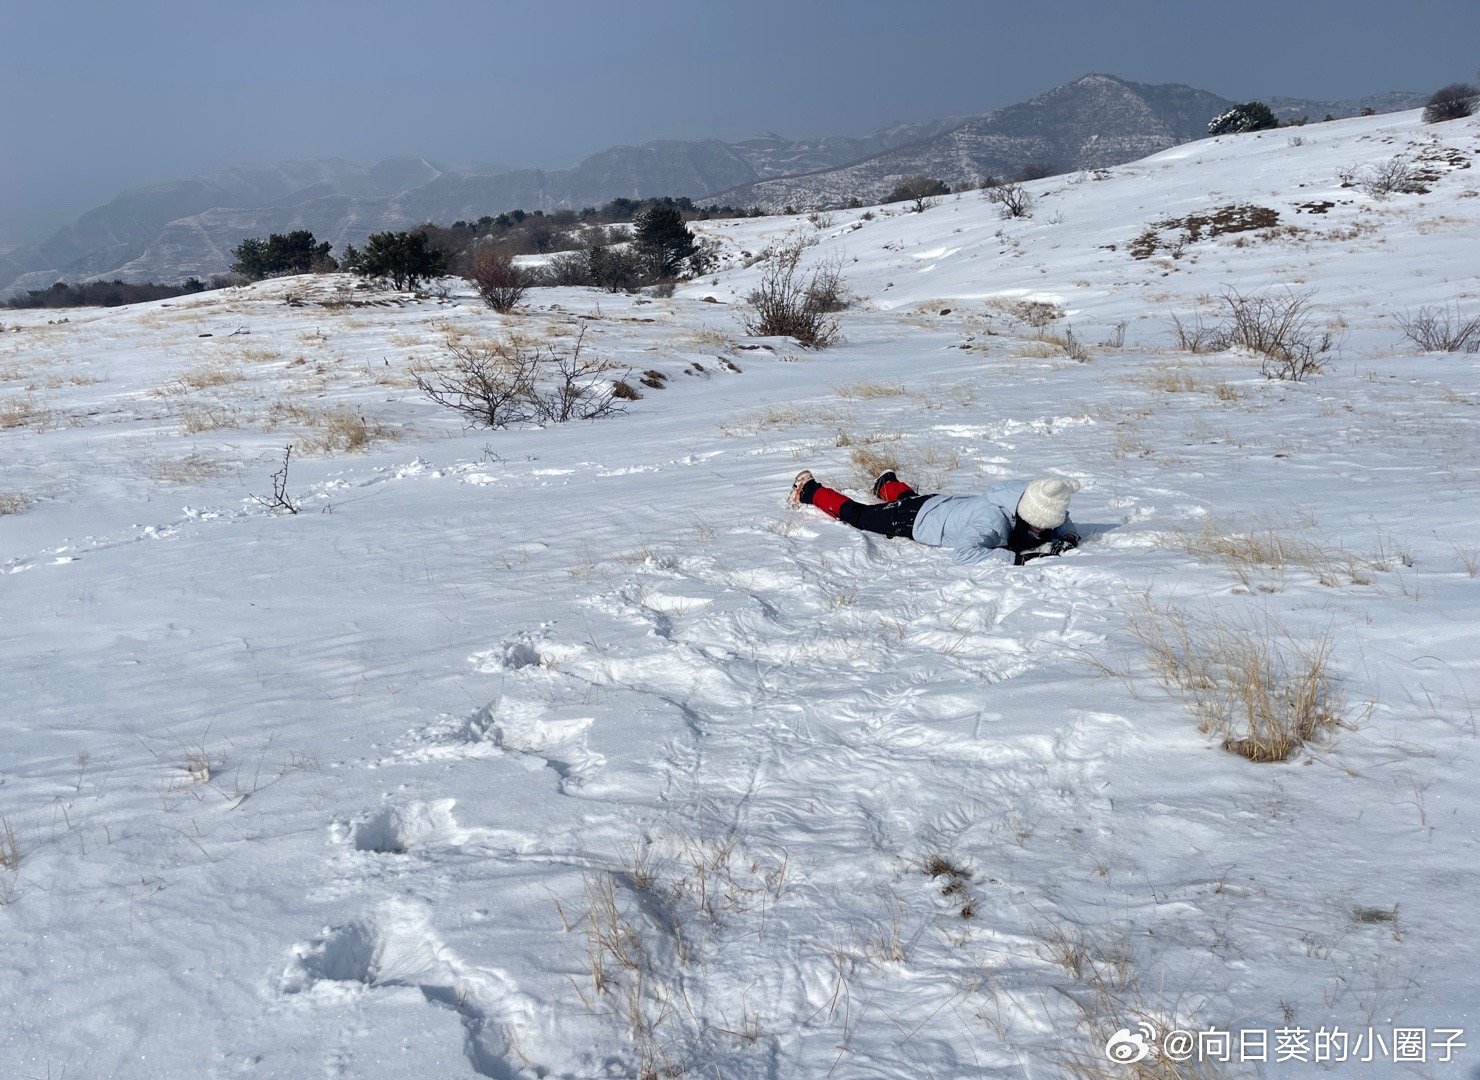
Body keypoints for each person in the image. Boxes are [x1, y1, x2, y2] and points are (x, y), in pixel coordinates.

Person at [788, 469, 1081, 565]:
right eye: (1040, 527)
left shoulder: (1029, 494)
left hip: (940, 505)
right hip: (915, 521)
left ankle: (887, 483)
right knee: (859, 515)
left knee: (909, 500)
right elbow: (964, 554)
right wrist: (1019, 559)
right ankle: (810, 490)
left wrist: (1066, 534)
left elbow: (1058, 513)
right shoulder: (991, 521)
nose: (1043, 532)